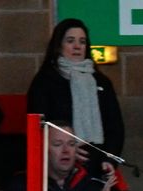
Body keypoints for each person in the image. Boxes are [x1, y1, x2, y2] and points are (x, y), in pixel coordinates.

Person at [26, 19, 125, 158]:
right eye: (70, 41)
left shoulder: (102, 81)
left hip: (99, 160)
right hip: (58, 161)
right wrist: (66, 150)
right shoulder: (45, 81)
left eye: (82, 42)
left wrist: (110, 159)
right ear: (59, 46)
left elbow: (115, 127)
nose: (77, 46)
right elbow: (40, 125)